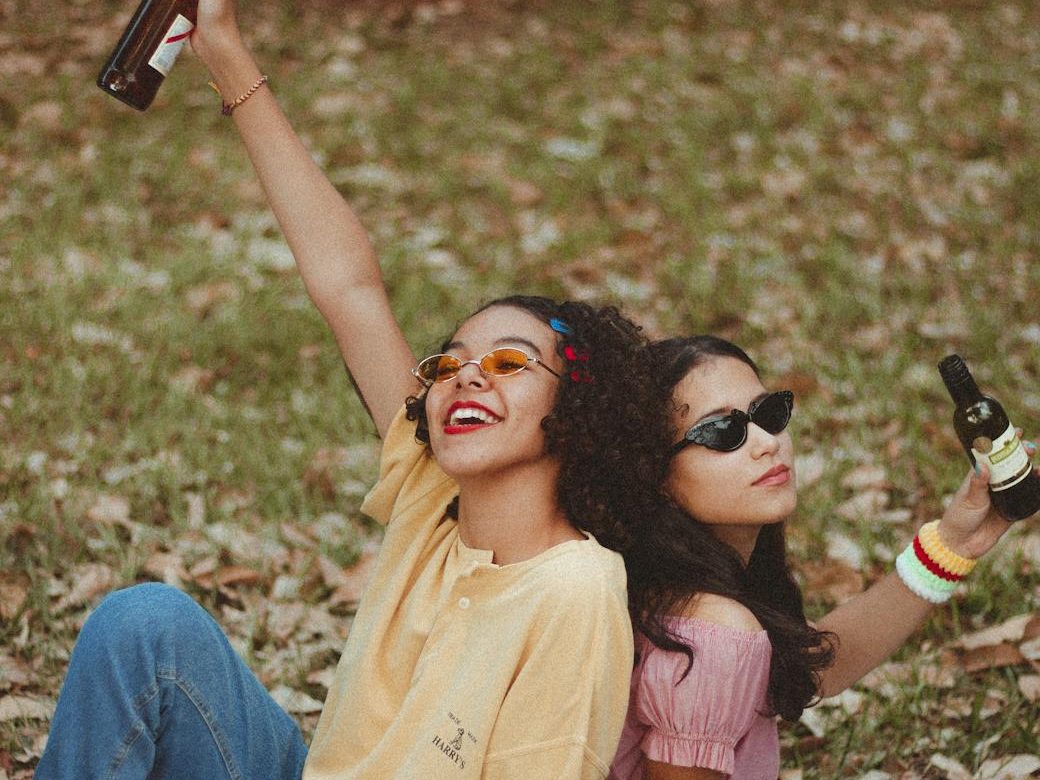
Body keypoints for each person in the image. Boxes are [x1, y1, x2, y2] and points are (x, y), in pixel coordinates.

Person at [35, 0, 667, 775]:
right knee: (146, 624)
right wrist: (224, 51)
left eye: (510, 363)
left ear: (578, 411)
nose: (468, 373)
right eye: (449, 364)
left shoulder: (574, 587)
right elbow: (349, 287)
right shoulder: (431, 500)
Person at [609, 335, 1026, 780]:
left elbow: (820, 663)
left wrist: (952, 546)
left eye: (768, 413)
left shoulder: (681, 591)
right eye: (722, 431)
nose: (766, 442)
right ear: (654, 475)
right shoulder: (711, 633)